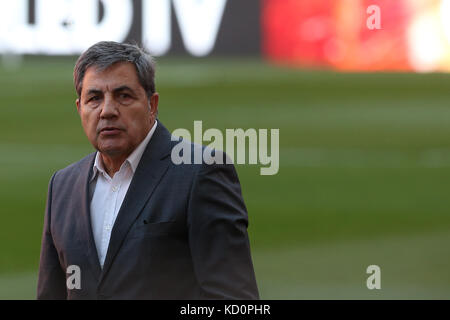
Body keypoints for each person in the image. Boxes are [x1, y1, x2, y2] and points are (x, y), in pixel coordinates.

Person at [37, 41, 259, 299]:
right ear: (80, 109)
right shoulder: (62, 186)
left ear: (151, 105)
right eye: (95, 98)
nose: (107, 111)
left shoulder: (201, 172)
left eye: (123, 96)